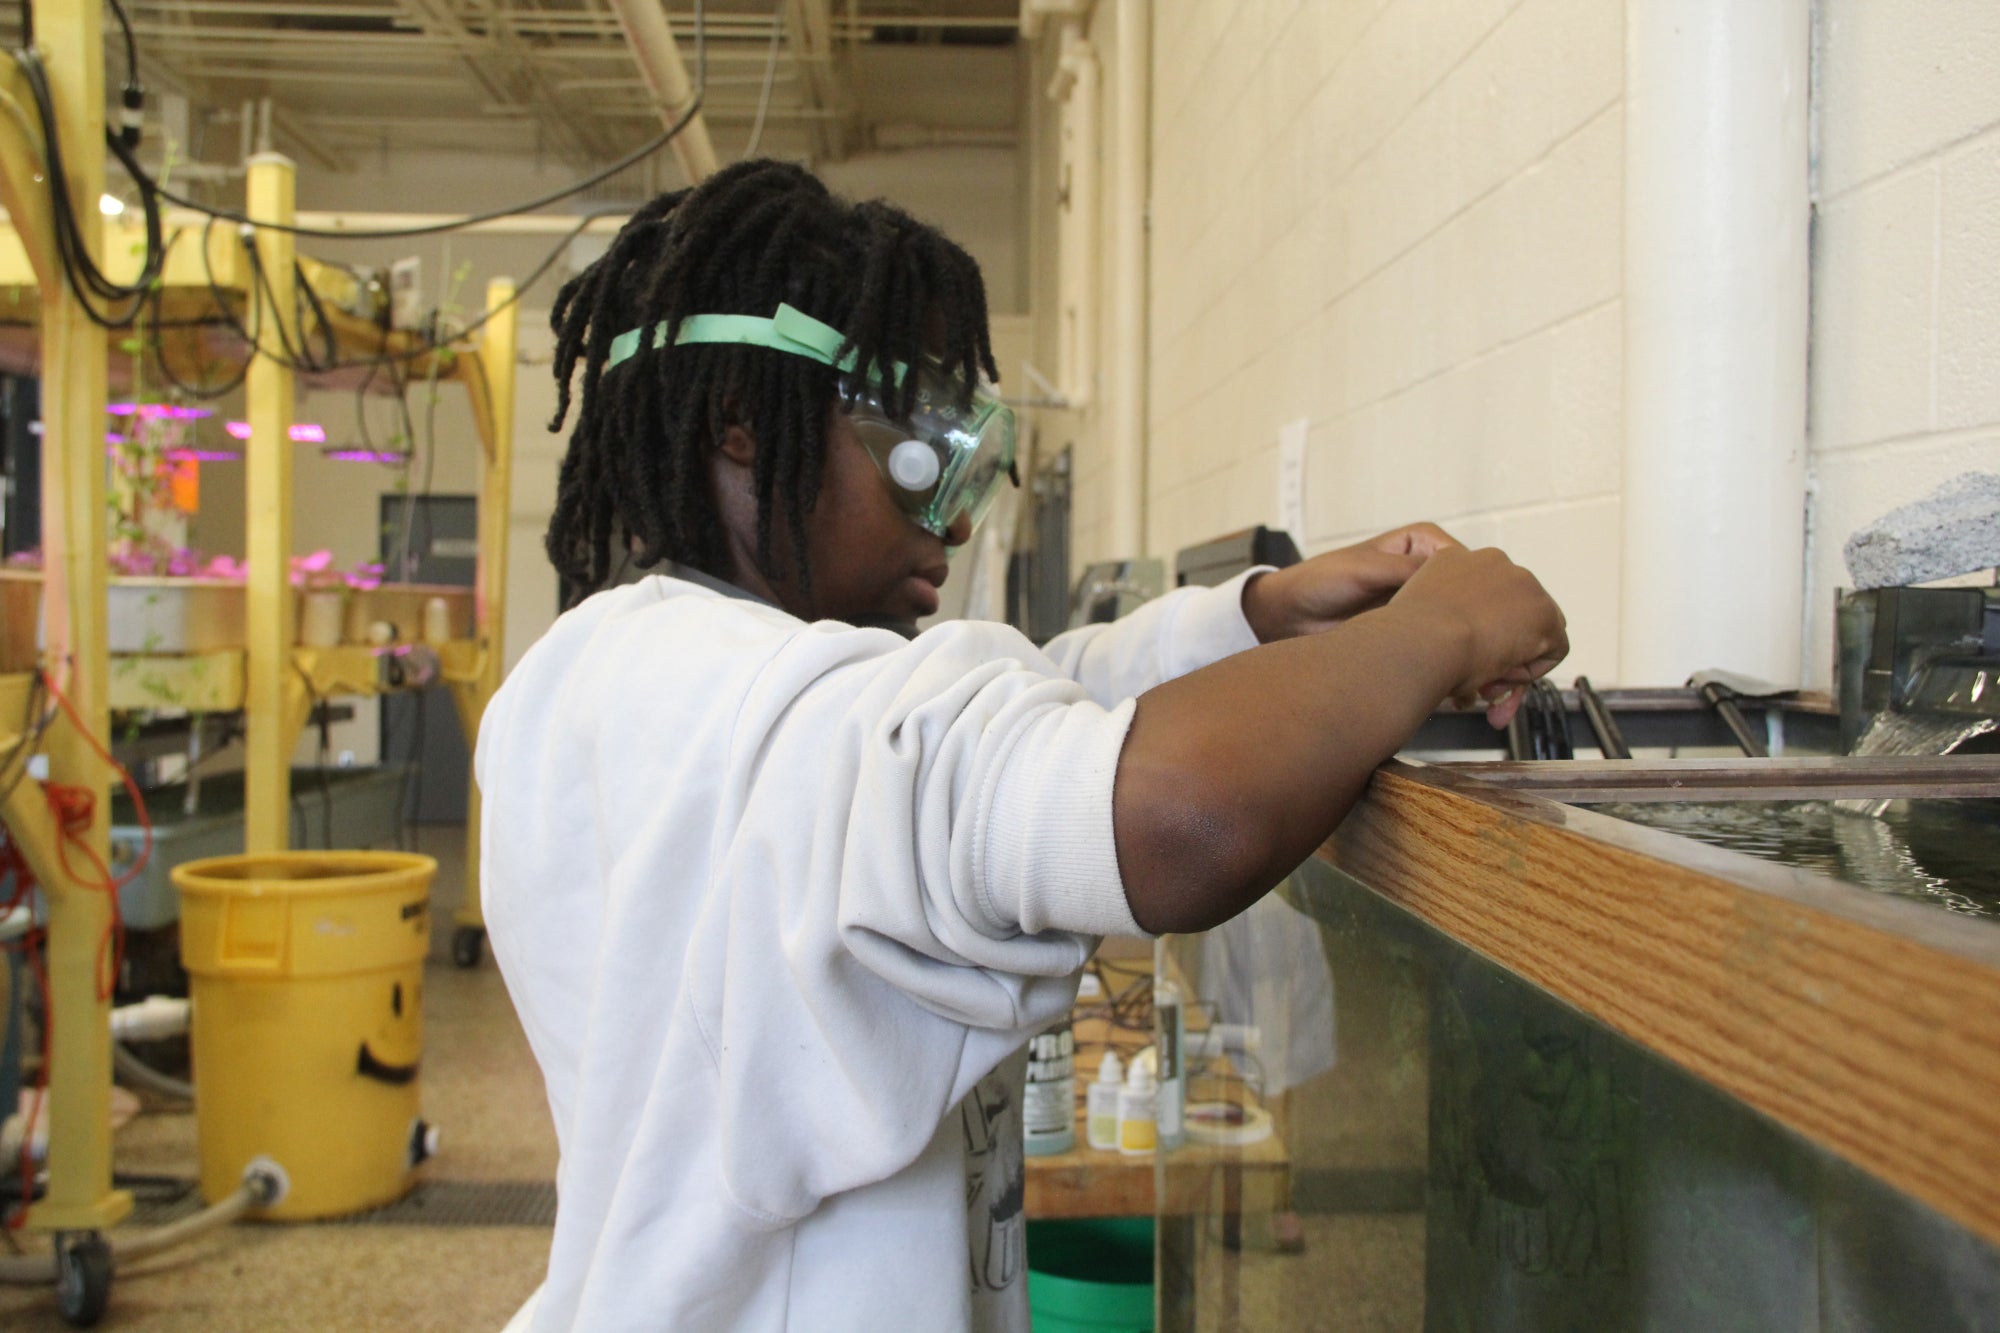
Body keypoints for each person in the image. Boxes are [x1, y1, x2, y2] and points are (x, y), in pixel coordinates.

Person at [478, 159, 1567, 1332]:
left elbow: (1005, 714)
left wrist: (1254, 619)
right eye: (913, 445)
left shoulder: (603, 679)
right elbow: (1170, 814)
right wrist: (1437, 628)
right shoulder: (742, 710)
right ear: (742, 426)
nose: (948, 516)